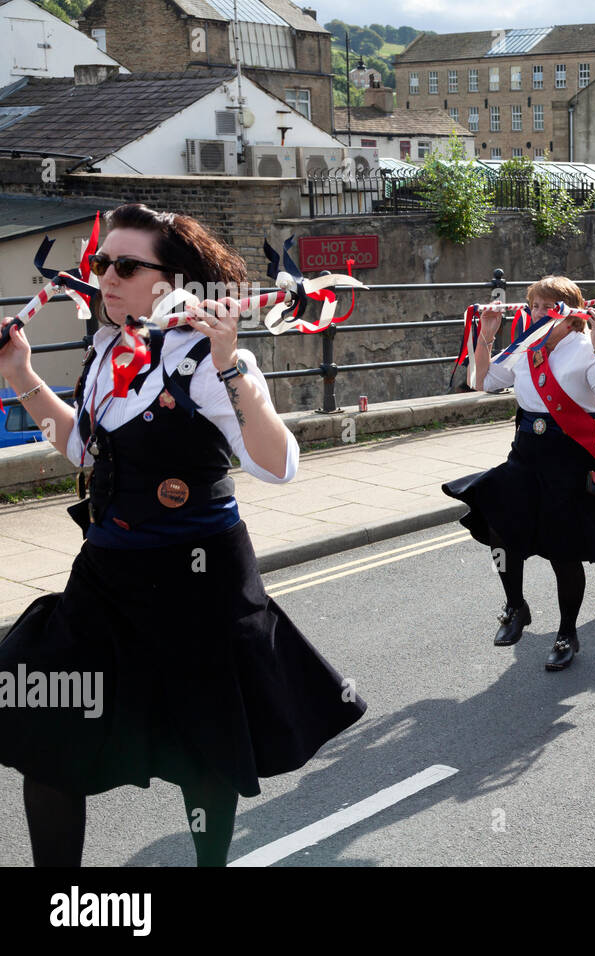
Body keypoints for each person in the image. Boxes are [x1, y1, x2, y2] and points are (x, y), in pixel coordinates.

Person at [0, 202, 366, 867]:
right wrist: (23, 374)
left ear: (170, 283)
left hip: (199, 586)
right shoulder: (109, 345)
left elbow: (278, 465)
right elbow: (85, 451)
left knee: (204, 754)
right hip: (107, 579)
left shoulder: (209, 356)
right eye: (101, 262)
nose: (105, 276)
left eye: (125, 266)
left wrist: (230, 368)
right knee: (48, 740)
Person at [444, 276, 595, 671]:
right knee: (500, 530)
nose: (539, 313)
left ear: (569, 309)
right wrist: (487, 336)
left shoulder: (585, 347)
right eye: (535, 305)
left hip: (569, 459)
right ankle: (516, 606)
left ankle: (567, 632)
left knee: (564, 551)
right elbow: (483, 382)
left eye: (548, 306)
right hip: (525, 455)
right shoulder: (526, 345)